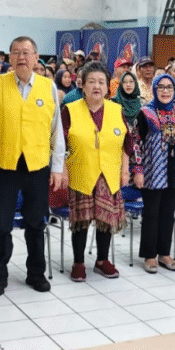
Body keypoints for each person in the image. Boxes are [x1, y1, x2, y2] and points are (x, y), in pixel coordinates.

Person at [0, 36, 65, 295]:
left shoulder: (48, 87)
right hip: (4, 165)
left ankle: (36, 273)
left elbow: (56, 129)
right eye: (16, 52)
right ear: (9, 58)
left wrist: (57, 167)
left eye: (26, 52)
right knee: (2, 225)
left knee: (36, 223)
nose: (21, 57)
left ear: (36, 57)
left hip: (37, 165)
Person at [62, 62, 133, 281]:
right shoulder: (70, 110)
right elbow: (59, 145)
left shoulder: (116, 110)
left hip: (109, 173)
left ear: (108, 86)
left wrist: (125, 170)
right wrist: (62, 171)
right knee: (81, 221)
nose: (96, 86)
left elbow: (127, 144)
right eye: (91, 81)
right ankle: (78, 262)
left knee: (106, 219)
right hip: (80, 172)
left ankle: (102, 261)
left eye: (101, 82)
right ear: (82, 85)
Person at [131, 74, 175, 272]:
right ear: (154, 90)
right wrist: (138, 170)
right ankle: (149, 255)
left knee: (168, 213)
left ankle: (164, 253)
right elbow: (135, 143)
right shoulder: (145, 113)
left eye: (169, 87)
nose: (165, 91)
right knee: (152, 213)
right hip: (152, 170)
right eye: (161, 87)